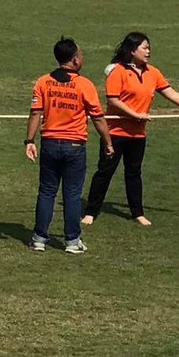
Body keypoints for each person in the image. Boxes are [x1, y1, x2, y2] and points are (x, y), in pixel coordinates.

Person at [82, 32, 179, 229]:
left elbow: (171, 93)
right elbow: (113, 100)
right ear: (132, 51)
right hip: (115, 133)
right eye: (144, 48)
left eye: (149, 48)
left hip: (138, 134)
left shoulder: (153, 72)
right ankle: (91, 212)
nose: (148, 51)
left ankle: (138, 213)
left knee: (134, 173)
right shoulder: (118, 72)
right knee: (105, 172)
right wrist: (135, 114)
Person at [25, 37, 114, 254]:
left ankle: (39, 239)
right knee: (72, 194)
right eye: (80, 55)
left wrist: (29, 140)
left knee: (47, 191)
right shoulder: (85, 85)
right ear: (74, 60)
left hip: (49, 144)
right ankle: (72, 241)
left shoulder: (43, 82)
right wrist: (108, 142)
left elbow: (35, 113)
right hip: (75, 146)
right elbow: (98, 118)